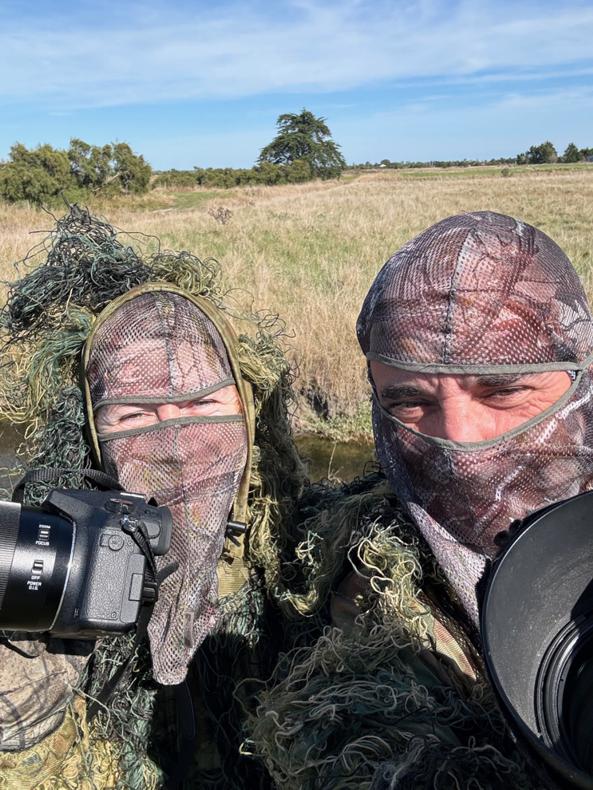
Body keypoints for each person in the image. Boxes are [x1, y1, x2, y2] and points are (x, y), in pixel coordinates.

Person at [250, 211, 593, 788]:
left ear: (581, 379)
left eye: (504, 389)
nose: (458, 441)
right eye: (410, 403)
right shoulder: (376, 581)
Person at [0, 206, 304, 788]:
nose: (174, 444)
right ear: (93, 430)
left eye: (202, 406)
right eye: (136, 415)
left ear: (246, 409)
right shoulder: (49, 551)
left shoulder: (310, 555)